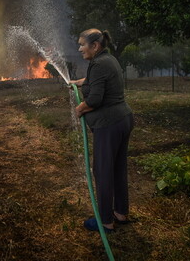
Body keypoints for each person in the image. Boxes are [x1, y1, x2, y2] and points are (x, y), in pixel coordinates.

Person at [70, 28, 134, 233]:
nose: (79, 48)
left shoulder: (97, 64)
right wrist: (77, 83)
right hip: (123, 120)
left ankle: (105, 221)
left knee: (103, 171)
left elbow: (95, 99)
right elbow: (97, 83)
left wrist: (79, 109)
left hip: (109, 125)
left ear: (94, 46)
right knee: (117, 168)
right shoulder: (109, 60)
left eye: (82, 44)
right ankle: (120, 213)